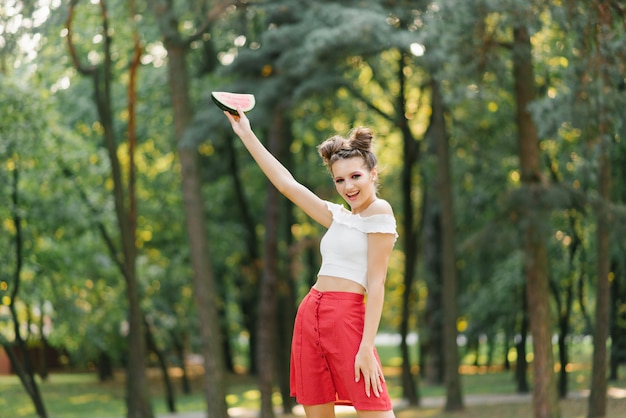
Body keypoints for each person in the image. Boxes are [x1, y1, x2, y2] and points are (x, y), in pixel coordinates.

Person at [225, 108, 397, 418]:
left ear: (373, 173)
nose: (348, 187)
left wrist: (366, 348)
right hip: (310, 316)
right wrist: (245, 133)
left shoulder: (379, 212)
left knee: (376, 409)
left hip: (347, 319)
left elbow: (376, 283)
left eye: (355, 176)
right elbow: (286, 184)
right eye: (339, 180)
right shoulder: (340, 217)